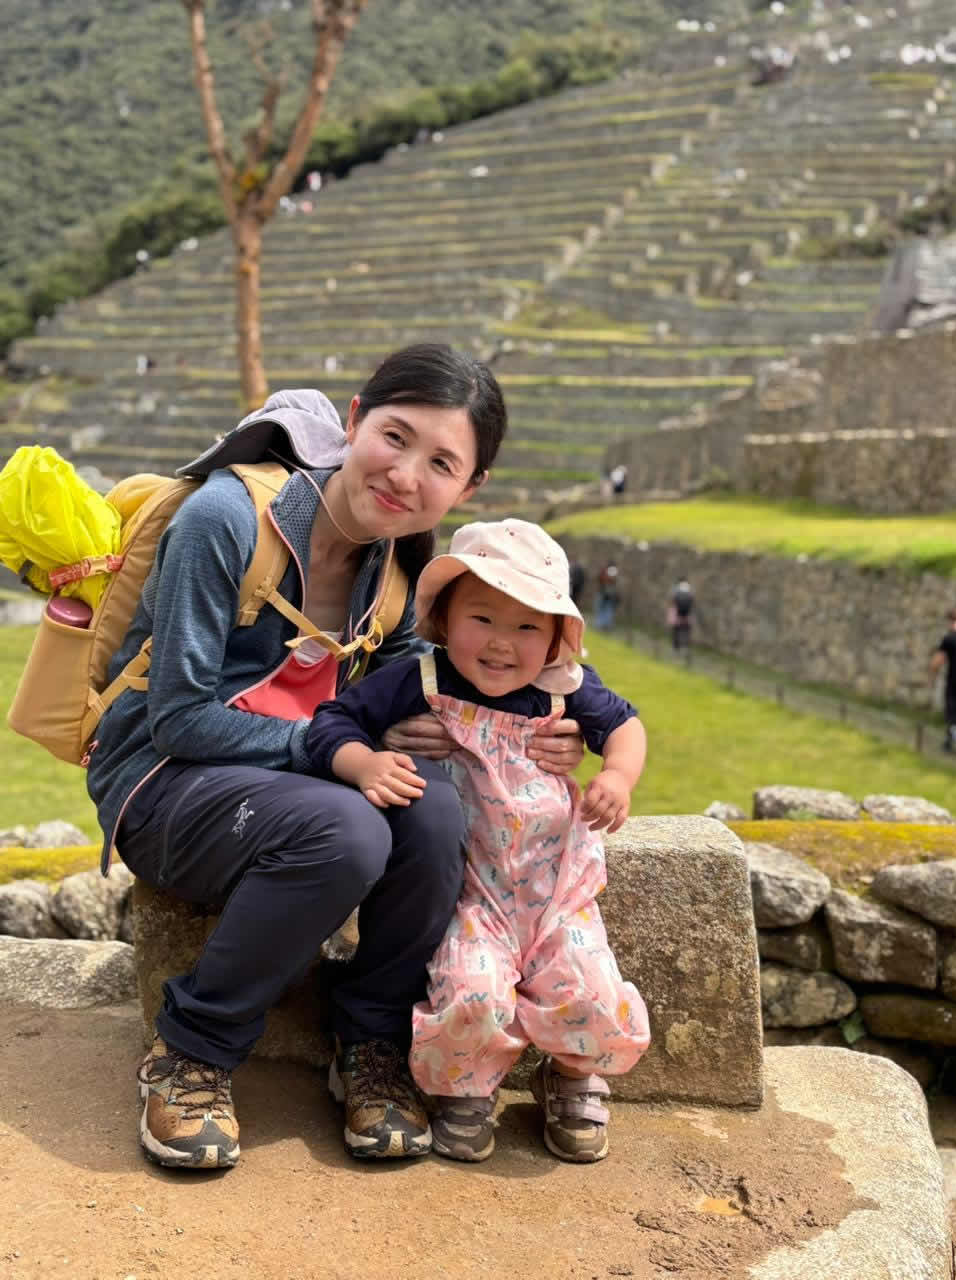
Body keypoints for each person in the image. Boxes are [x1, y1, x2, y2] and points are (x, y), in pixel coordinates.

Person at [86, 344, 585, 1171]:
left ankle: (371, 1044)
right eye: (394, 436)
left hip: (288, 784)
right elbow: (178, 720)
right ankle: (192, 1051)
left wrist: (547, 726)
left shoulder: (402, 561)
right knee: (347, 830)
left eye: (441, 464)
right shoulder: (226, 520)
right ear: (354, 421)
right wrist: (337, 750)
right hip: (163, 780)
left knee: (435, 813)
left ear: (468, 489)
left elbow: (429, 692)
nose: (404, 474)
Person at [306, 520, 651, 1164]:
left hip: (558, 894)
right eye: (482, 619)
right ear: (443, 619)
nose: (501, 644)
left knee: (590, 987)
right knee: (470, 988)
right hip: (470, 896)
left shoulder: (566, 688)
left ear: (555, 638)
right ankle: (466, 1088)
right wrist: (365, 762)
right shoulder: (421, 681)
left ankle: (574, 1074)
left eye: (526, 627)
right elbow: (334, 719)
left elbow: (626, 725)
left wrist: (617, 775)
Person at [929, 606, 956, 751]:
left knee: (952, 714)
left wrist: (932, 676)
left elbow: (937, 661)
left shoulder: (950, 638)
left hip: (955, 682)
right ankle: (949, 743)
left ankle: (953, 738)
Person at [667, 576, 695, 651]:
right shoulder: (689, 589)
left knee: (676, 629)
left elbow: (673, 600)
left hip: (678, 613)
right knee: (687, 629)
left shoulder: (676, 589)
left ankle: (676, 647)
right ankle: (687, 645)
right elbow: (692, 601)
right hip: (687, 613)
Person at [594, 563, 621, 632]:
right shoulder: (606, 573)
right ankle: (600, 626)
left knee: (606, 612)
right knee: (601, 611)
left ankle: (603, 627)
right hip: (603, 594)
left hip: (608, 597)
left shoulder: (612, 572)